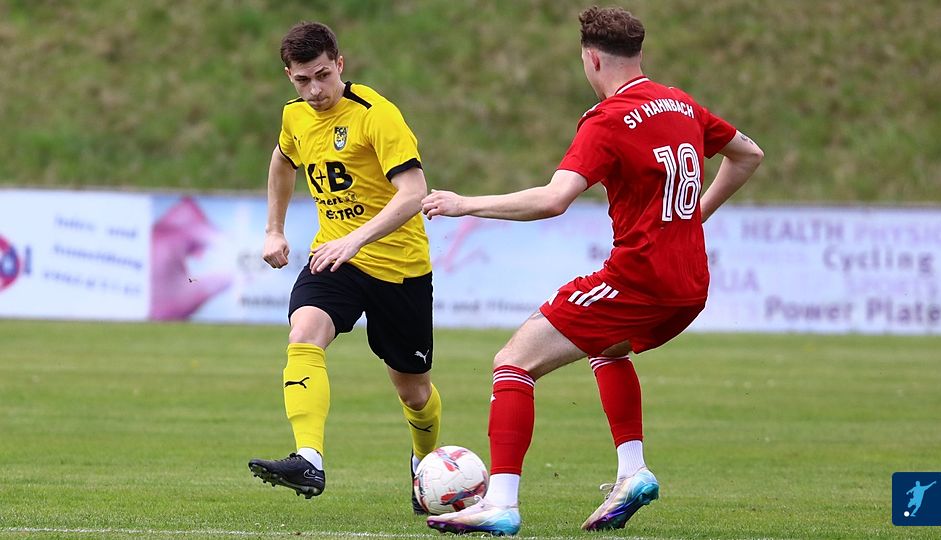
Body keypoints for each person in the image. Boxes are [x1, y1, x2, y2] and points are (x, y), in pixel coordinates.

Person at [420, 6, 763, 535]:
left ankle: (501, 503)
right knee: (608, 347)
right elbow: (749, 155)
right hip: (691, 284)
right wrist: (695, 215)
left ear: (593, 59)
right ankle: (632, 471)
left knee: (513, 362)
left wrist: (465, 204)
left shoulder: (606, 120)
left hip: (639, 279)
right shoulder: (681, 104)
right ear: (638, 53)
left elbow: (554, 199)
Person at [248, 21, 442, 515]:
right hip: (334, 257)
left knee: (414, 391)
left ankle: (425, 465)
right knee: (304, 333)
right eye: (302, 80)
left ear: (339, 64)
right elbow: (282, 160)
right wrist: (274, 229)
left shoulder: (376, 114)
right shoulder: (295, 116)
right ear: (289, 77)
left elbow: (414, 192)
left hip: (399, 266)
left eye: (322, 76)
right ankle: (308, 458)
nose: (314, 90)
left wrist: (356, 239)